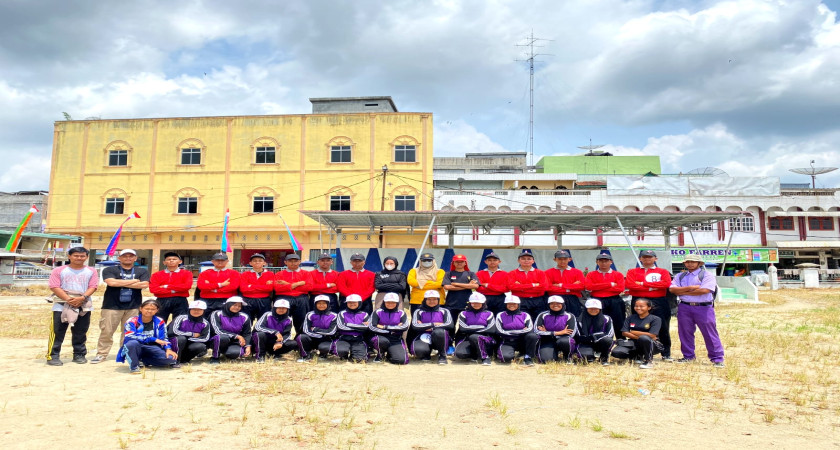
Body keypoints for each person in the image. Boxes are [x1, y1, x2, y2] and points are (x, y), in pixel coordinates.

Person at [91, 249, 150, 364]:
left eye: (131, 256)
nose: (128, 258)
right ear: (119, 258)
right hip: (111, 306)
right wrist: (133, 281)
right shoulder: (110, 269)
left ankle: (127, 353)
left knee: (129, 332)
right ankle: (101, 354)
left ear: (135, 258)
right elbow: (111, 283)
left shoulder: (141, 271)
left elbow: (144, 284)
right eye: (124, 256)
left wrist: (120, 282)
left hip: (133, 306)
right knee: (107, 331)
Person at [46, 246, 99, 366]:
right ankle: (52, 356)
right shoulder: (58, 270)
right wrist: (68, 299)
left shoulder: (91, 271)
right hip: (61, 304)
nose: (79, 258)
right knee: (57, 332)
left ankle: (79, 354)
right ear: (69, 256)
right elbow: (54, 286)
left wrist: (82, 298)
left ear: (86, 257)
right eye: (76, 255)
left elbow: (93, 286)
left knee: (80, 332)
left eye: (82, 256)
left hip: (83, 304)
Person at [669, 254, 725, 367]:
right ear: (684, 263)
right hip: (684, 306)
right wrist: (691, 288)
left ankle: (717, 358)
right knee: (685, 332)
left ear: (699, 263)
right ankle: (688, 356)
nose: (690, 263)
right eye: (687, 261)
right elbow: (672, 289)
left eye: (693, 261)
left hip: (703, 308)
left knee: (709, 332)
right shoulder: (680, 276)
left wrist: (682, 291)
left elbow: (704, 290)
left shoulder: (707, 275)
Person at [625, 250, 673, 360]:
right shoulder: (632, 271)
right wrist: (653, 287)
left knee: (663, 326)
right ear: (640, 259)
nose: (647, 259)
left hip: (658, 300)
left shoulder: (663, 271)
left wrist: (642, 284)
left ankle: (665, 353)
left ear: (655, 259)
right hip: (638, 299)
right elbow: (630, 285)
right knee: (637, 324)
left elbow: (666, 284)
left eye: (650, 257)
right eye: (644, 257)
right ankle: (638, 352)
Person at [116, 299, 179, 373]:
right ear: (141, 309)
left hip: (152, 347)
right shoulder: (132, 321)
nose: (149, 311)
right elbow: (130, 336)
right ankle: (134, 367)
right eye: (147, 309)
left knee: (171, 359)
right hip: (136, 346)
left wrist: (168, 349)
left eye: (153, 309)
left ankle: (143, 360)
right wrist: (153, 339)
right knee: (132, 343)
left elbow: (164, 337)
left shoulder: (160, 321)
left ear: (157, 310)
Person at [611, 298, 662, 369]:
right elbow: (624, 333)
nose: (638, 308)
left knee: (644, 338)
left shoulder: (655, 319)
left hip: (652, 344)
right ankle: (637, 356)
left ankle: (648, 361)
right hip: (634, 342)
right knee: (617, 352)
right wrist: (640, 338)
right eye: (636, 306)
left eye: (641, 306)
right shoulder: (630, 318)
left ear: (649, 307)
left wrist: (633, 331)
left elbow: (652, 335)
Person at [584, 253, 625, 337]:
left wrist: (598, 286)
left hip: (614, 300)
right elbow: (589, 287)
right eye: (601, 261)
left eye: (606, 261)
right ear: (597, 262)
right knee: (598, 321)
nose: (603, 263)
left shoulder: (618, 274)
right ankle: (599, 339)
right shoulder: (591, 274)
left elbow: (620, 289)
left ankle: (621, 340)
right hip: (597, 300)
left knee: (618, 321)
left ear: (611, 262)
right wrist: (610, 284)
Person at [409, 290, 454, 365]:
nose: (431, 301)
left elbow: (450, 325)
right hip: (424, 336)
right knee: (419, 351)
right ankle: (426, 353)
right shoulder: (418, 311)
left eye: (434, 299)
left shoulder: (445, 311)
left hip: (440, 337)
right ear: (425, 300)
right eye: (429, 299)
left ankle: (442, 355)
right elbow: (415, 326)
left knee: (439, 332)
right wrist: (434, 324)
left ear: (438, 300)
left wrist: (426, 326)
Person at [453, 292, 497, 366]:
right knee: (460, 354)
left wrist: (470, 329)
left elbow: (491, 330)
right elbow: (463, 329)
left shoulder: (489, 314)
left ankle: (485, 357)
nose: (476, 305)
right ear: (470, 303)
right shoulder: (463, 313)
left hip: (486, 339)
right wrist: (482, 327)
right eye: (474, 303)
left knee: (474, 336)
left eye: (478, 303)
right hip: (467, 338)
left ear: (483, 303)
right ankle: (475, 354)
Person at [275, 253, 313, 335]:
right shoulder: (279, 274)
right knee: (281, 320)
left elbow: (309, 287)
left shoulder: (306, 273)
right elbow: (277, 288)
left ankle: (301, 341)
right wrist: (299, 283)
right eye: (290, 261)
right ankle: (281, 340)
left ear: (299, 262)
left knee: (301, 320)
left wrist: (287, 284)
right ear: (285, 262)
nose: (293, 263)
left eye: (295, 261)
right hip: (284, 298)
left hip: (301, 298)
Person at [148, 251, 192, 323]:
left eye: (174, 259)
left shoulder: (186, 273)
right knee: (159, 321)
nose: (171, 261)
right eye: (168, 259)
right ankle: (160, 334)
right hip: (162, 300)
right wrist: (175, 290)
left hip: (180, 300)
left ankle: (177, 334)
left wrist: (166, 286)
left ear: (180, 261)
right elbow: (153, 289)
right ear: (164, 262)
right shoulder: (157, 275)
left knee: (180, 322)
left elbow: (186, 286)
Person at [368, 292, 411, 364]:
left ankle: (390, 354)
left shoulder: (401, 313)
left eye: (393, 302)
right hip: (381, 337)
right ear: (384, 302)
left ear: (397, 303)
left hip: (395, 339)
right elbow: (372, 327)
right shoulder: (377, 312)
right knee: (379, 341)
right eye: (388, 302)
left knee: (401, 361)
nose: (390, 304)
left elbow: (405, 326)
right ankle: (380, 354)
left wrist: (384, 327)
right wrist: (394, 329)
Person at [533, 296, 578, 363]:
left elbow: (571, 333)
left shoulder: (570, 316)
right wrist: (558, 333)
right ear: (549, 305)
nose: (555, 305)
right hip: (547, 340)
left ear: (563, 304)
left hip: (562, 340)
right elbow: (537, 331)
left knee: (566, 341)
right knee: (547, 361)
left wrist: (547, 332)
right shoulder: (542, 315)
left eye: (558, 303)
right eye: (552, 303)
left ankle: (567, 357)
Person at [506, 250, 548, 319]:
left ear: (533, 261)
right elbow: (511, 287)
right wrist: (533, 285)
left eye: (529, 259)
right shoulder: (512, 273)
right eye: (523, 259)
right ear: (518, 261)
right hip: (520, 300)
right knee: (522, 319)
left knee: (538, 319)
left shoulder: (540, 273)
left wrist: (520, 287)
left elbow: (544, 287)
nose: (526, 261)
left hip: (537, 300)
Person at [494, 296, 536, 366]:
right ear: (506, 305)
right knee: (505, 358)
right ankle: (511, 354)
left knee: (532, 336)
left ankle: (528, 357)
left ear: (518, 304)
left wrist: (508, 331)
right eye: (509, 304)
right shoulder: (500, 315)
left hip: (522, 341)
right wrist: (521, 331)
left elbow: (530, 329)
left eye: (514, 304)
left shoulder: (525, 315)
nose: (512, 306)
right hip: (507, 341)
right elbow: (499, 331)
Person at [209, 296, 252, 363]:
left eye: (239, 306)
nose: (237, 307)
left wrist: (247, 345)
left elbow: (247, 333)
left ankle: (225, 352)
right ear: (228, 304)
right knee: (223, 337)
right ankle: (215, 357)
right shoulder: (216, 314)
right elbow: (217, 331)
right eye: (234, 305)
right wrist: (237, 336)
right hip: (218, 340)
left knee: (234, 353)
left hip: (235, 342)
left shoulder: (244, 316)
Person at [197, 252, 240, 318]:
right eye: (217, 260)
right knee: (205, 319)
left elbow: (233, 287)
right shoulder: (204, 273)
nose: (220, 262)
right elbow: (201, 286)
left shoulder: (234, 273)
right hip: (207, 299)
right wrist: (221, 284)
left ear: (227, 261)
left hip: (226, 300)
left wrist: (212, 288)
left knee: (224, 319)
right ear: (212, 261)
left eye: (222, 260)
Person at [296, 295, 338, 362]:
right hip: (313, 338)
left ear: (328, 304)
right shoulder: (309, 314)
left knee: (325, 346)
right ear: (315, 304)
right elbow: (306, 330)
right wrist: (320, 335)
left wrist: (315, 329)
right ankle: (306, 356)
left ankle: (323, 354)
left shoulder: (334, 316)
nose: (321, 305)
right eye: (319, 303)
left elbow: (331, 332)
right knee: (301, 337)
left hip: (326, 339)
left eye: (324, 303)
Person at [544, 250, 585, 318]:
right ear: (555, 259)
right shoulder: (547, 272)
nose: (562, 261)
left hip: (572, 299)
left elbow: (582, 286)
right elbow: (547, 287)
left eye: (565, 259)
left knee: (574, 317)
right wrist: (571, 286)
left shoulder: (577, 272)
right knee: (554, 317)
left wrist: (560, 285)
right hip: (554, 298)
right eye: (560, 259)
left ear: (569, 259)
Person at [441, 254, 478, 326]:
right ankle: (449, 337)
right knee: (450, 325)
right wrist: (468, 285)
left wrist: (456, 284)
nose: (459, 263)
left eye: (461, 261)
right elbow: (447, 287)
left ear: (465, 263)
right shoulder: (448, 274)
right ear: (453, 263)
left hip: (467, 304)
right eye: (457, 261)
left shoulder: (471, 274)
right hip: (451, 304)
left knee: (466, 325)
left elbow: (475, 286)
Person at [576, 299, 615, 366]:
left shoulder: (607, 319)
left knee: (608, 340)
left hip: (600, 343)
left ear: (600, 309)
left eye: (596, 308)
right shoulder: (579, 320)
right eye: (591, 308)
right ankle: (590, 355)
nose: (593, 310)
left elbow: (610, 335)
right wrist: (594, 337)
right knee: (586, 359)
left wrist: (593, 337)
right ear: (586, 308)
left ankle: (604, 357)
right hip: (585, 343)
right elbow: (578, 336)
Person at [239, 253, 275, 322]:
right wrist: (263, 286)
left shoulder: (270, 274)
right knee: (247, 320)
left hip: (264, 300)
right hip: (248, 300)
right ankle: (247, 333)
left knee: (263, 321)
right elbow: (243, 289)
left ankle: (260, 333)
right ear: (250, 263)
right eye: (255, 261)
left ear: (264, 263)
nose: (257, 262)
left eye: (260, 260)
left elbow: (269, 288)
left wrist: (251, 286)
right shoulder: (245, 274)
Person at [335, 294, 370, 363]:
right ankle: (344, 354)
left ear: (359, 303)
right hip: (344, 338)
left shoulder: (364, 314)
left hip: (358, 339)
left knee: (359, 360)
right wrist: (360, 326)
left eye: (354, 302)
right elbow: (340, 326)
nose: (352, 304)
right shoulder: (341, 313)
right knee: (341, 352)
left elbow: (366, 327)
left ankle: (353, 354)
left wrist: (347, 324)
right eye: (349, 302)